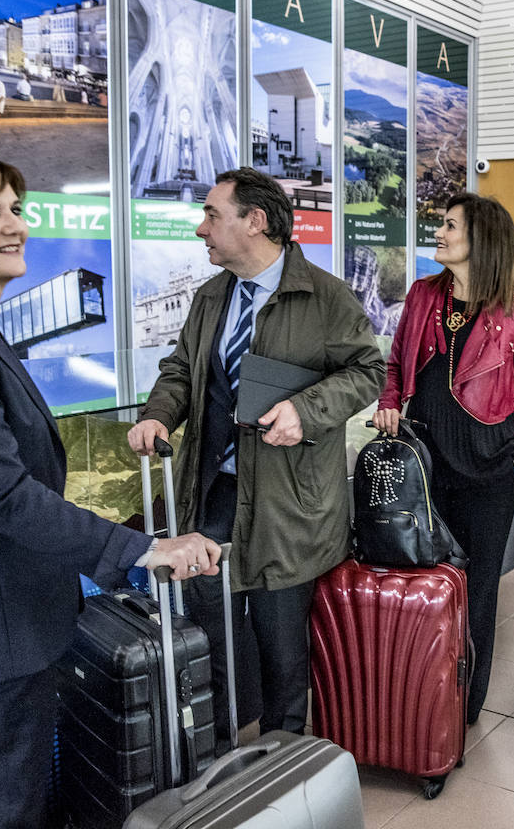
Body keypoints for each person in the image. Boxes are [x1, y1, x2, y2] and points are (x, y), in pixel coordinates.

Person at [0, 142, 221, 829]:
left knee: (22, 801)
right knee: (7, 814)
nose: (16, 226)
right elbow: (4, 495)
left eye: (17, 209)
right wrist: (140, 550)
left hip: (10, 623)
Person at [128, 167, 384, 747]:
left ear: (255, 221)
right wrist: (157, 414)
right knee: (209, 641)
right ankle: (215, 764)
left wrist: (307, 410)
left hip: (287, 506)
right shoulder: (210, 297)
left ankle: (281, 769)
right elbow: (181, 371)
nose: (201, 229)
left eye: (212, 216)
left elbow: (369, 371)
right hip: (213, 496)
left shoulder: (324, 297)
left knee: (282, 654)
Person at [374, 192, 514, 725]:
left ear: (482, 239)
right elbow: (396, 364)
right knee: (425, 577)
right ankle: (421, 689)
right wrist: (388, 403)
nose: (441, 232)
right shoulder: (423, 294)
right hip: (424, 463)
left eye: (451, 225)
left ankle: (465, 702)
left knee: (476, 590)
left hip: (490, 468)